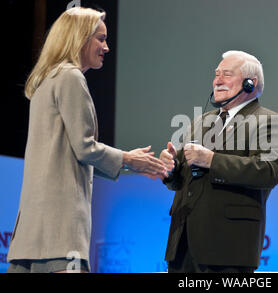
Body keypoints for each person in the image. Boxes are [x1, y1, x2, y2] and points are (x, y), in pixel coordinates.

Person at [7, 7, 168, 273]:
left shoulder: (47, 78)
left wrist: (131, 165)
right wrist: (129, 159)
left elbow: (69, 154)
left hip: (31, 234)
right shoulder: (70, 77)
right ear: (79, 37)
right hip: (60, 231)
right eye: (100, 38)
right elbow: (84, 147)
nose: (106, 47)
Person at [159, 50, 278, 273]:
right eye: (216, 74)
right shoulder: (200, 121)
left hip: (228, 248)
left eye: (226, 74)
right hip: (182, 247)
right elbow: (179, 181)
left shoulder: (269, 121)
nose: (217, 80)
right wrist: (170, 168)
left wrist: (212, 160)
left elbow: (269, 170)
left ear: (251, 83)